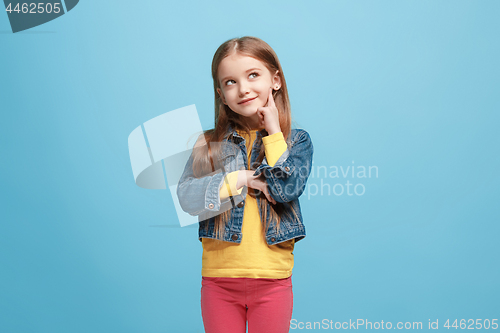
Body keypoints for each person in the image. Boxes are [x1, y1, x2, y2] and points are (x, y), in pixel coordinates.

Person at [176, 36, 314, 333]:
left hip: (273, 281)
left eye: (253, 75)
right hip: (219, 281)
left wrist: (273, 130)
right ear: (220, 94)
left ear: (275, 80)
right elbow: (187, 199)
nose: (243, 89)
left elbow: (285, 189)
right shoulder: (208, 143)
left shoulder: (295, 141)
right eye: (230, 82)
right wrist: (242, 178)